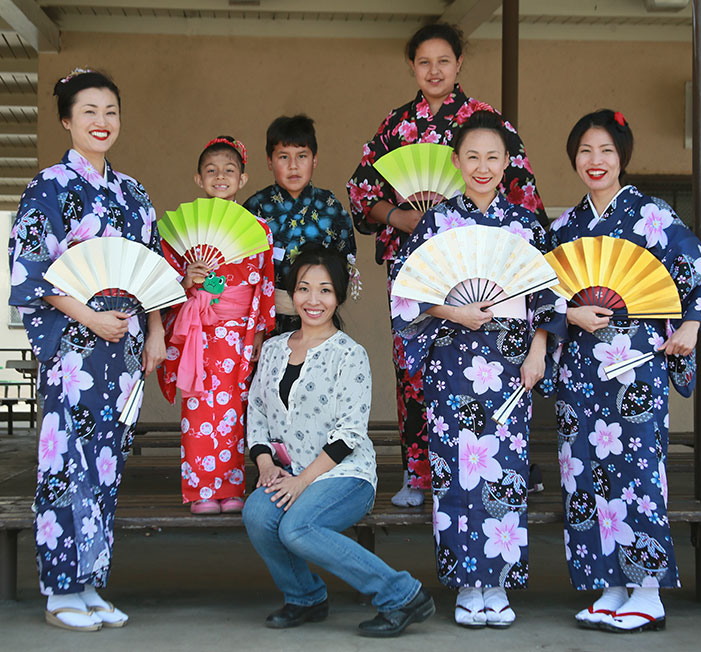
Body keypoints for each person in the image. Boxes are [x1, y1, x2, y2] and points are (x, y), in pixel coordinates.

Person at [346, 22, 546, 507]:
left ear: (459, 64)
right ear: (412, 67)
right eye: (423, 62)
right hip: (420, 267)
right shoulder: (395, 126)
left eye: (443, 61)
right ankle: (421, 471)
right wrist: (403, 217)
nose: (434, 71)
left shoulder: (485, 120)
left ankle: (493, 468)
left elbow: (523, 197)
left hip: (487, 271)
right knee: (415, 367)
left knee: (492, 369)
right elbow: (361, 191)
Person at [390, 111, 565, 628]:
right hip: (452, 365)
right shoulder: (437, 221)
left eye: (493, 157)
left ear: (508, 163)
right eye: (472, 157)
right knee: (458, 473)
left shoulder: (527, 224)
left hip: (511, 366)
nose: (482, 167)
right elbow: (409, 290)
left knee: (505, 472)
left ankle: (499, 584)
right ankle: (469, 585)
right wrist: (452, 311)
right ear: (456, 162)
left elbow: (548, 298)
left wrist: (538, 352)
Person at [8, 68, 166, 631]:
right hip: (75, 349)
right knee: (64, 464)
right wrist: (89, 316)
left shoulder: (134, 194)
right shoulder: (48, 186)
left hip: (122, 351)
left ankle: (91, 581)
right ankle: (59, 591)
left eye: (111, 111)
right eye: (89, 111)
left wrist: (155, 332)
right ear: (66, 120)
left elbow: (150, 273)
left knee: (106, 464)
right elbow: (31, 272)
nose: (102, 122)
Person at [550, 109, 701, 633]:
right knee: (583, 474)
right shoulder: (564, 227)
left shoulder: (652, 215)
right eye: (585, 151)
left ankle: (648, 594)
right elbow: (540, 298)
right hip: (580, 371)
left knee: (638, 474)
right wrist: (566, 312)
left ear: (622, 156)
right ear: (574, 159)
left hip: (636, 370)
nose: (595, 161)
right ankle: (610, 585)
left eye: (605, 150)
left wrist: (691, 326)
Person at [243, 244, 435, 638]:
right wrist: (265, 463)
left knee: (297, 527)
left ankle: (402, 594)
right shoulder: (276, 348)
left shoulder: (350, 355)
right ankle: (305, 597)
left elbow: (349, 433)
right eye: (304, 288)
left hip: (345, 475)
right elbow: (257, 411)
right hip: (290, 470)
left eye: (325, 290)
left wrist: (301, 481)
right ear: (291, 293)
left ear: (340, 295)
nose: (313, 300)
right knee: (259, 515)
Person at [157, 136, 275, 514]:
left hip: (238, 333)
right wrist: (186, 279)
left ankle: (231, 486)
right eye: (211, 171)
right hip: (197, 332)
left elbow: (264, 283)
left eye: (229, 170)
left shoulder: (258, 229)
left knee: (234, 409)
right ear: (198, 179)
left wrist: (258, 333)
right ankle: (200, 489)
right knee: (197, 409)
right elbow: (164, 284)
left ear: (243, 179)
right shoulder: (181, 234)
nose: (220, 177)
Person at [244, 115, 357, 334]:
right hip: (264, 321)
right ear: (269, 161)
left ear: (314, 160)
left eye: (302, 156)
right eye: (283, 157)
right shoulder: (255, 208)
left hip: (318, 316)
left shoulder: (330, 207)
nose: (293, 166)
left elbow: (346, 260)